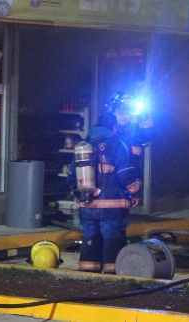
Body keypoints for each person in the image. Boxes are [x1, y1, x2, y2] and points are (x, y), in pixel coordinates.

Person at [67, 112, 142, 273]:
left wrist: (78, 193)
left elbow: (72, 176)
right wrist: (135, 193)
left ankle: (88, 277)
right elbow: (126, 174)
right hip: (112, 207)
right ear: (113, 127)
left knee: (90, 239)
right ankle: (112, 276)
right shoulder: (117, 143)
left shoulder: (84, 144)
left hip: (87, 206)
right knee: (112, 239)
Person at [109, 92, 155, 206]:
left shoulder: (133, 132)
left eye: (127, 112)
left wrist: (143, 113)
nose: (124, 116)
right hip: (109, 184)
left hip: (129, 185)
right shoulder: (107, 132)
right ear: (113, 112)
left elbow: (149, 133)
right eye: (120, 112)